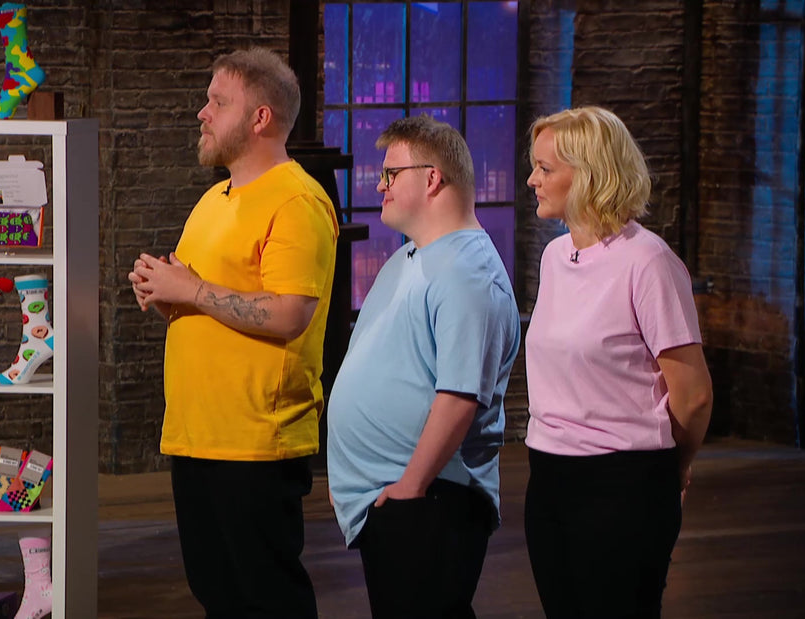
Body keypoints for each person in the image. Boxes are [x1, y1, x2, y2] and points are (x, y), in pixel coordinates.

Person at [128, 47, 339, 619]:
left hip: (254, 442)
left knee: (265, 600)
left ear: (260, 118)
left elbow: (290, 313)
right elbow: (210, 299)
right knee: (218, 595)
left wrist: (191, 290)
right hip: (198, 434)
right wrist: (166, 292)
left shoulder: (295, 200)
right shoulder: (213, 199)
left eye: (218, 102)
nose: (203, 113)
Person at [327, 115, 521, 619]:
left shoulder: (467, 271)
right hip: (399, 499)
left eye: (392, 174)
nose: (381, 185)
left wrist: (411, 487)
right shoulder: (415, 256)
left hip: (432, 499)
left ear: (432, 178)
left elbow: (460, 395)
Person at [523, 106, 713, 619]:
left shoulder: (647, 261)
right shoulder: (555, 257)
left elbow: (692, 395)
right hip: (549, 477)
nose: (531, 180)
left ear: (587, 175)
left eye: (545, 169)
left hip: (623, 486)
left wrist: (669, 468)